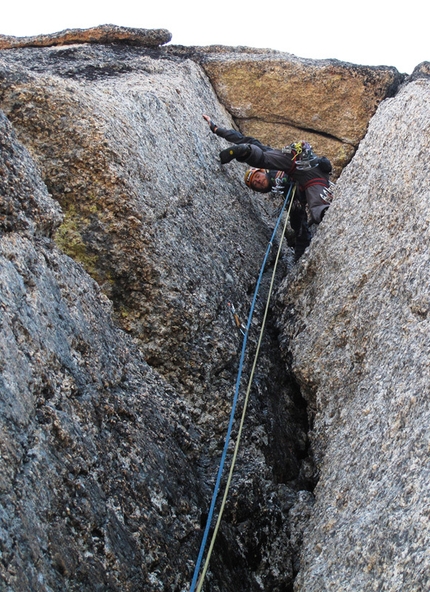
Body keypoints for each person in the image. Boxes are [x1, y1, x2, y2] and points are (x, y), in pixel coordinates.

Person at [202, 114, 332, 226]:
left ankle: (246, 151)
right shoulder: (285, 195)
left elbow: (242, 138)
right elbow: (298, 222)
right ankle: (322, 213)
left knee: (262, 156)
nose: (257, 181)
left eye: (256, 176)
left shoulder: (272, 166)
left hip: (300, 162)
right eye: (255, 184)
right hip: (306, 179)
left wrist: (216, 129)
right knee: (303, 210)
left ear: (262, 171)